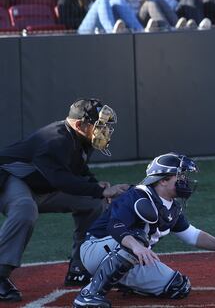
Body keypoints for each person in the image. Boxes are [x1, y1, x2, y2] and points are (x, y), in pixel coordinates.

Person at [0, 98, 129, 301]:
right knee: (25, 209)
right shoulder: (55, 139)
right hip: (11, 178)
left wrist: (97, 186)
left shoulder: (80, 138)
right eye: (99, 124)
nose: (103, 129)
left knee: (94, 202)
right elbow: (61, 179)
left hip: (41, 185)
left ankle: (80, 266)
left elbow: (77, 170)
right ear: (80, 124)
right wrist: (98, 189)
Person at [72, 153, 215, 307]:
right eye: (179, 176)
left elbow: (191, 235)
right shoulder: (138, 195)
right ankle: (88, 295)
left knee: (178, 287)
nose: (185, 180)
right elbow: (115, 226)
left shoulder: (172, 206)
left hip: (130, 255)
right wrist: (137, 246)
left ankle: (122, 282)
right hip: (95, 249)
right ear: (163, 180)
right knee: (138, 238)